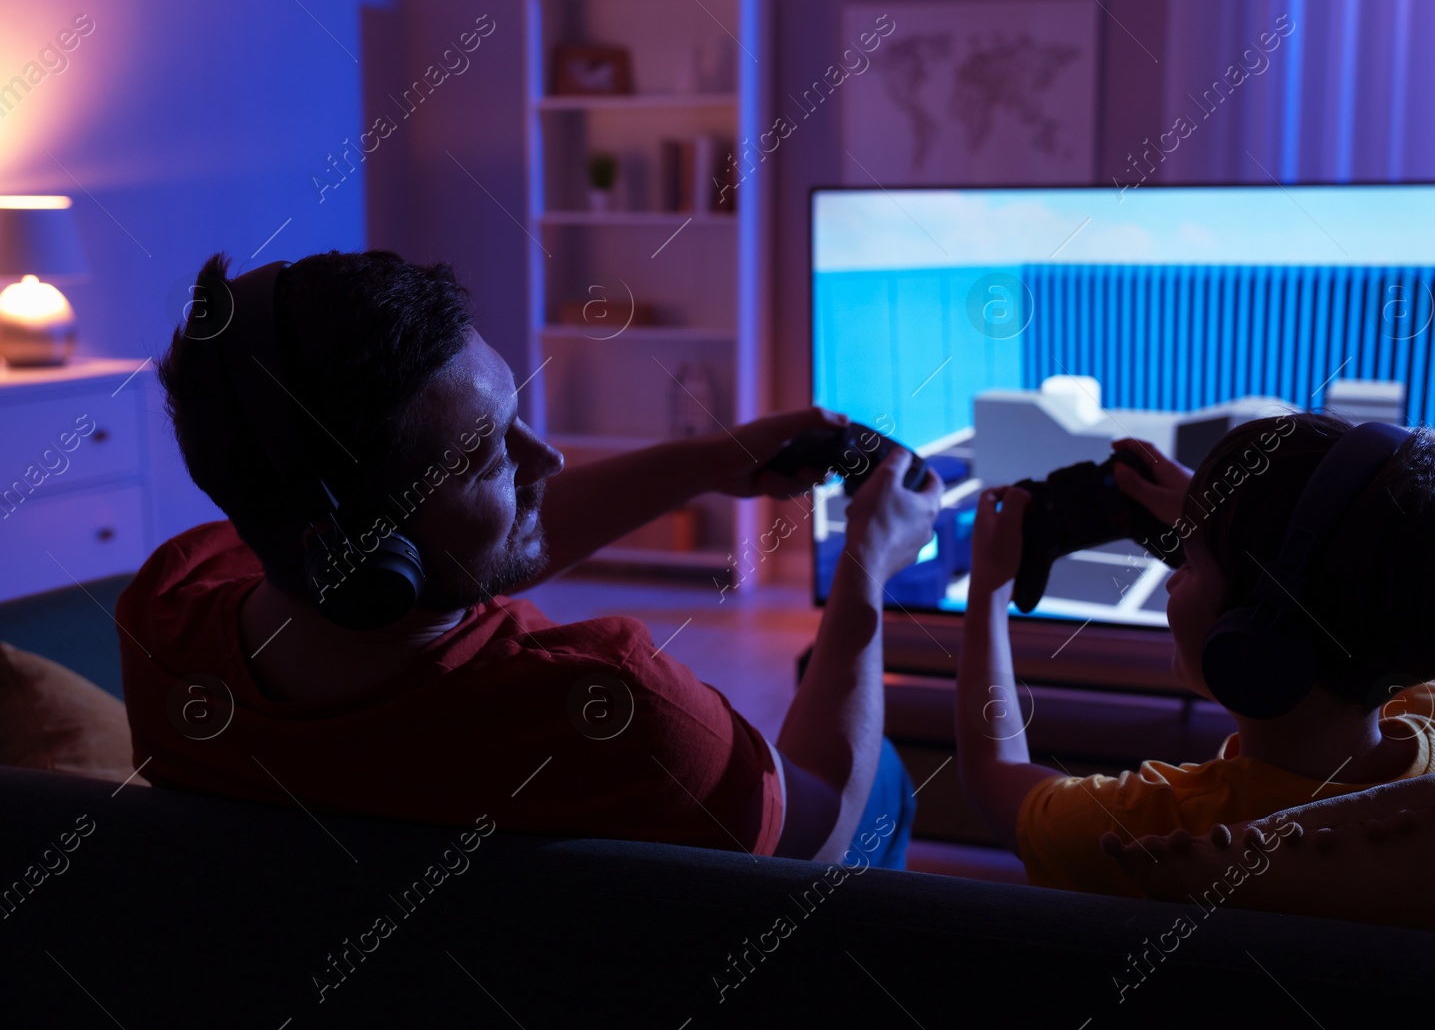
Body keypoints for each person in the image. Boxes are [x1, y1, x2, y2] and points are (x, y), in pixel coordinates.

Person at [117, 250, 943, 868]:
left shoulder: (167, 610)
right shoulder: (619, 713)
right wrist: (865, 567)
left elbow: (463, 550)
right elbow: (819, 836)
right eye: (485, 457)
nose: (545, 458)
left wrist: (705, 462)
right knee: (885, 778)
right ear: (369, 551)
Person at [953, 412, 1435, 894]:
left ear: (1251, 641)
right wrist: (1232, 522)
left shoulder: (1158, 833)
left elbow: (992, 770)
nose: (1173, 581)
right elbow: (1376, 591)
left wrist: (990, 589)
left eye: (1190, 563)